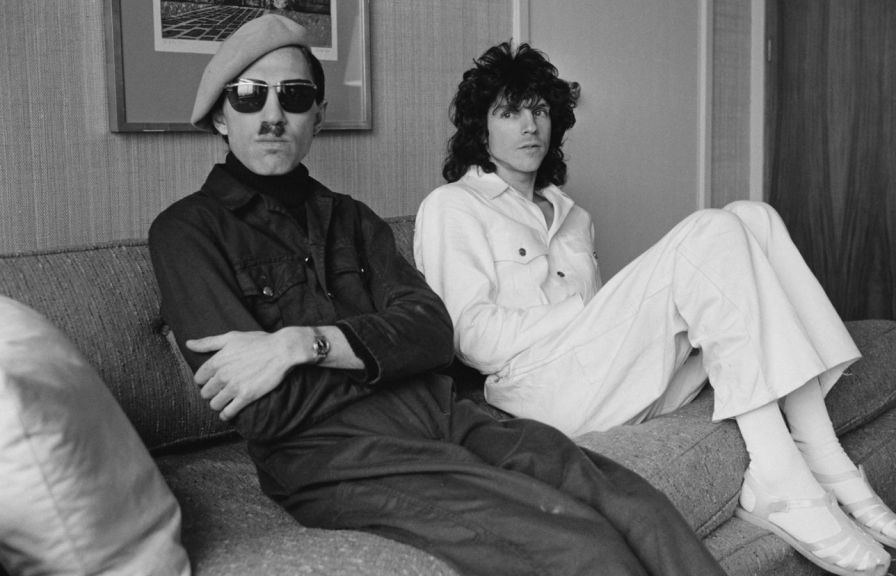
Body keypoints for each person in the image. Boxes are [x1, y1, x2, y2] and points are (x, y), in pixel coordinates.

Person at [149, 15, 727, 576]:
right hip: (338, 457)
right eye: (249, 96)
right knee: (577, 546)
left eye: (294, 96)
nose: (273, 116)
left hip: (449, 416)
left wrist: (302, 345)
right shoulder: (186, 233)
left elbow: (431, 331)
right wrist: (382, 351)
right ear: (221, 116)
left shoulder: (352, 219)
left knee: (634, 504)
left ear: (317, 115)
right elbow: (265, 410)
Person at [415, 41, 896, 576]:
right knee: (711, 229)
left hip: (611, 379)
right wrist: (586, 311)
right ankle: (781, 479)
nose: (529, 125)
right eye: (510, 112)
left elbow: (609, 334)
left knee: (753, 217)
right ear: (481, 129)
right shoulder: (453, 207)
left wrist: (605, 314)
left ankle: (823, 452)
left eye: (539, 110)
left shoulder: (573, 215)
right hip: (542, 391)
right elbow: (470, 338)